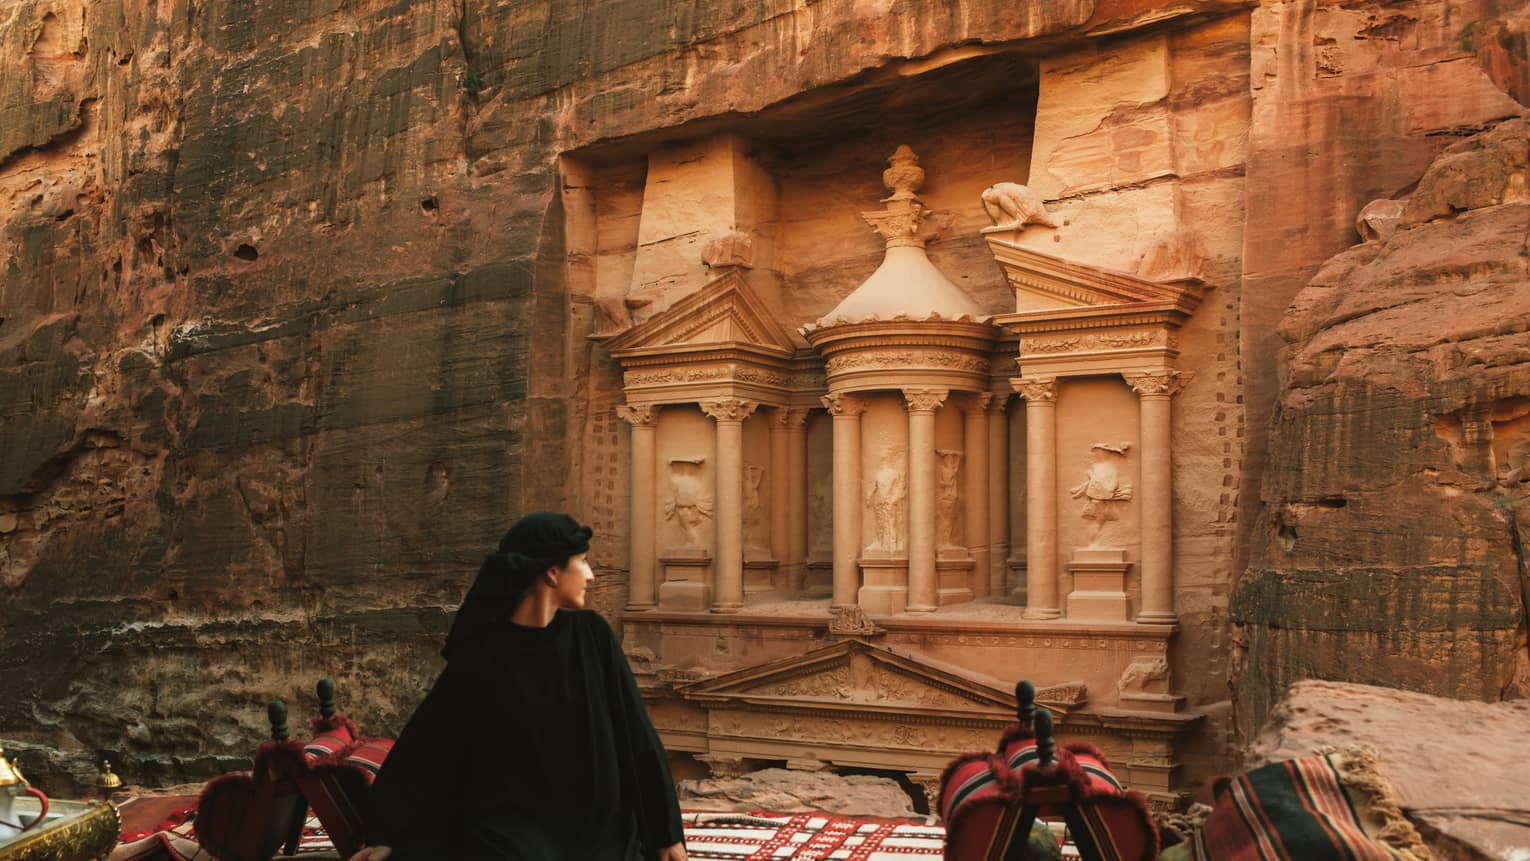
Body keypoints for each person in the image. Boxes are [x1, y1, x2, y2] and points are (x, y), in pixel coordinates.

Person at [350, 512, 688, 861]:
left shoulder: (592, 636)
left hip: (596, 827)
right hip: (512, 830)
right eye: (582, 561)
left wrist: (667, 834)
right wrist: (386, 834)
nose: (590, 574)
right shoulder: (486, 652)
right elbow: (431, 743)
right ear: (552, 571)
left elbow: (636, 734)